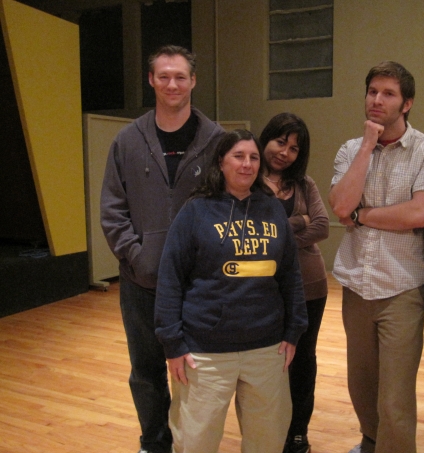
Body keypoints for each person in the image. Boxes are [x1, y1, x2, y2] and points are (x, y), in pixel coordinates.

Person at [100, 45, 225, 453]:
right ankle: (154, 443)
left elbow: (229, 204)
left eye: (181, 76)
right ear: (151, 80)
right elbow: (113, 209)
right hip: (142, 281)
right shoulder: (127, 140)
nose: (173, 84)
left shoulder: (217, 141)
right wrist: (138, 257)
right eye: (164, 76)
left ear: (194, 81)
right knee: (146, 370)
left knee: (198, 369)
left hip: (200, 283)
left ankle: (192, 442)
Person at [154, 129, 308, 453]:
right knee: (195, 443)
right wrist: (172, 343)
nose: (247, 164)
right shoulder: (196, 211)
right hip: (205, 351)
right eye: (238, 156)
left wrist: (294, 330)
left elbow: (290, 274)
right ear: (221, 162)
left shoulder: (273, 209)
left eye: (253, 157)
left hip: (267, 348)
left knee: (267, 442)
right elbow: (170, 278)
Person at [328, 61, 424, 453]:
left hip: (402, 287)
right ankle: (371, 442)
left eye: (388, 94)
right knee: (361, 384)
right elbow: (340, 206)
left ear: (406, 103)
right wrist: (367, 146)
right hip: (356, 284)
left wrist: (361, 215)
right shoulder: (351, 149)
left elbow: (419, 214)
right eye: (372, 91)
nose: (377, 100)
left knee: (394, 398)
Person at [258, 113, 330, 453]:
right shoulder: (248, 181)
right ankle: (271, 429)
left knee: (302, 359)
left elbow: (323, 226)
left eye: (294, 148)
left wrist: (277, 239)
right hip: (263, 288)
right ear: (266, 139)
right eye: (280, 142)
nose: (285, 153)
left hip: (309, 284)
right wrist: (299, 220)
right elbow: (251, 230)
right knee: (268, 360)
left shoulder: (304, 184)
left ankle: (298, 432)